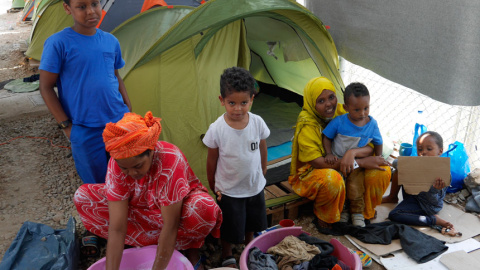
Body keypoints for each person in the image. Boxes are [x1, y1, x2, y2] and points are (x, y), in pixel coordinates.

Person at [73, 112, 222, 270]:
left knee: (203, 208)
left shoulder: (170, 159)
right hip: (141, 213)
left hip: (175, 216)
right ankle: (144, 245)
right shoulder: (116, 165)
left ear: (151, 151)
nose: (132, 173)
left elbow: (170, 225)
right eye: (125, 168)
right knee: (83, 197)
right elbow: (117, 228)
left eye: (138, 166)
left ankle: (191, 248)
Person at [39, 0, 132, 184]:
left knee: (126, 178)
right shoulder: (58, 43)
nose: (90, 11)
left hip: (119, 122)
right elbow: (46, 87)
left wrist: (128, 108)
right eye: (81, 7)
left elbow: (116, 76)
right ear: (67, 8)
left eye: (95, 4)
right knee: (97, 184)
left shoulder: (110, 40)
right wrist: (66, 126)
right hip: (84, 128)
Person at [288, 76, 391, 228]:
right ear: (311, 102)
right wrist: (359, 162)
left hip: (348, 162)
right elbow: (317, 162)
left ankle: (363, 213)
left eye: (331, 97)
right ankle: (328, 218)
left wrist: (353, 153)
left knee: (382, 171)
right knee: (333, 179)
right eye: (321, 101)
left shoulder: (347, 112)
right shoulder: (307, 124)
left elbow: (370, 142)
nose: (329, 104)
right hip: (314, 170)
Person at [202, 67, 270, 268]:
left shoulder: (257, 122)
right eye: (232, 103)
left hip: (253, 186)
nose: (238, 109)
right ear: (221, 100)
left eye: (244, 103)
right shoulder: (217, 129)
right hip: (229, 189)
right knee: (229, 225)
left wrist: (263, 170)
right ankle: (227, 253)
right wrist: (214, 184)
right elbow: (211, 160)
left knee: (253, 220)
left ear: (252, 100)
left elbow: (263, 147)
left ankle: (250, 245)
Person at [322, 82, 383, 226]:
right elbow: (327, 137)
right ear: (346, 107)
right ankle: (343, 211)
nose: (362, 113)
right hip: (337, 162)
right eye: (357, 109)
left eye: (366, 108)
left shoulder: (372, 125)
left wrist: (378, 157)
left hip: (357, 165)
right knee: (340, 186)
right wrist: (329, 153)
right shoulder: (339, 122)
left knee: (355, 187)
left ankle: (357, 213)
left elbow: (378, 142)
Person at [386, 131, 456, 233]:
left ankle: (433, 220)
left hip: (427, 205)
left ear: (440, 151)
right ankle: (392, 197)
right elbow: (396, 163)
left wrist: (434, 190)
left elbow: (434, 203)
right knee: (400, 169)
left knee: (394, 215)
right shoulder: (418, 164)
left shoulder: (442, 173)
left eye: (429, 149)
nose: (423, 152)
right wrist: (407, 164)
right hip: (414, 196)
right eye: (420, 149)